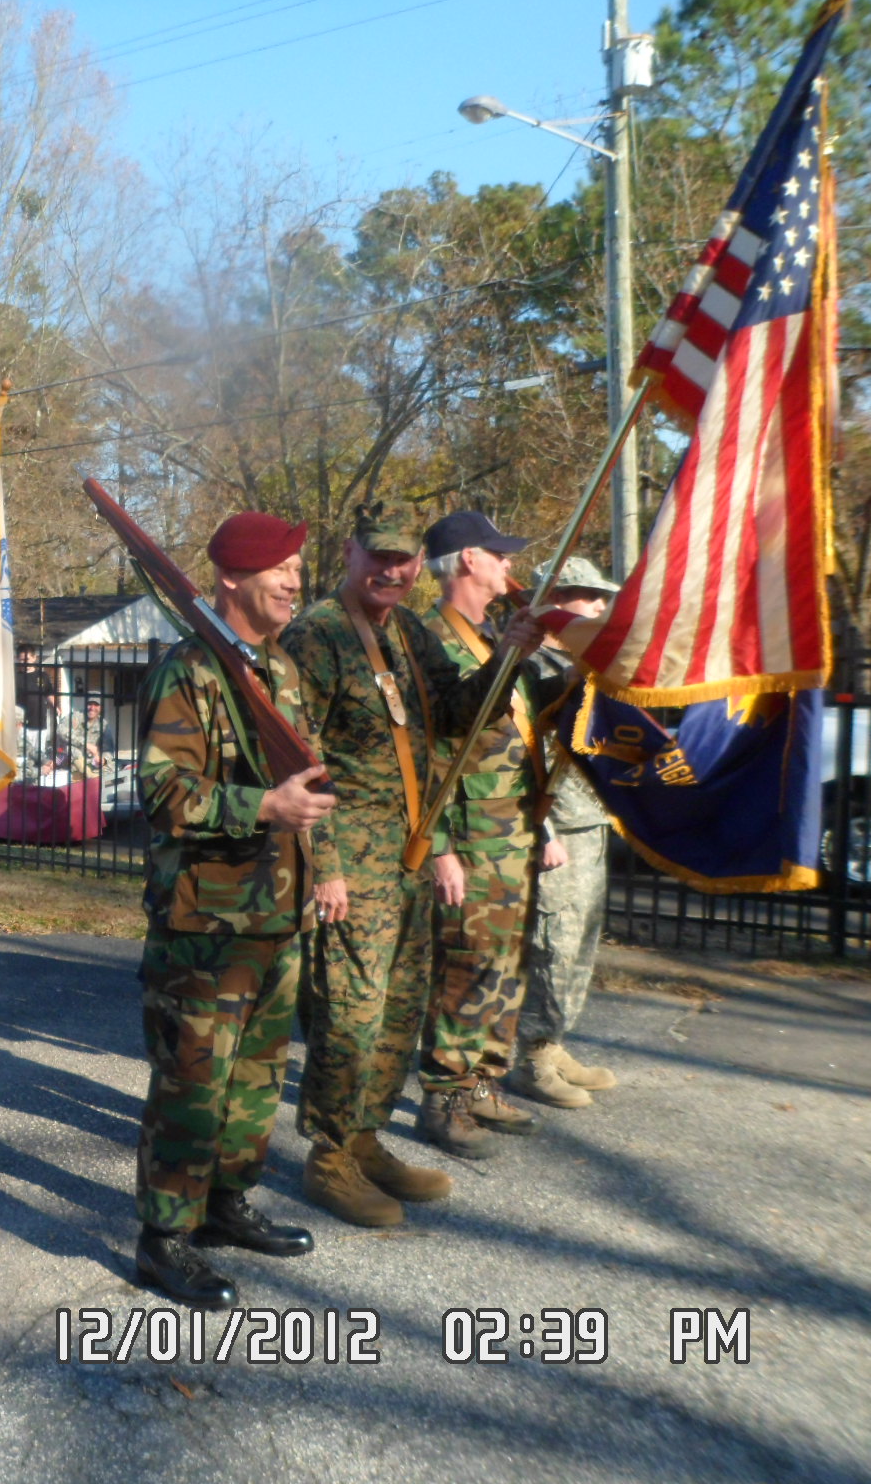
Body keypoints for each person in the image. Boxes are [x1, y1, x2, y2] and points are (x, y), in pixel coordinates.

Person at [280, 500, 543, 1227]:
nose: (392, 570)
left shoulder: (409, 634)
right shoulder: (317, 636)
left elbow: (459, 715)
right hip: (351, 866)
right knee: (349, 1017)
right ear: (350, 553)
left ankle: (366, 1141)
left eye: (403, 559)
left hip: (407, 858)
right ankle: (329, 1156)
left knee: (396, 1015)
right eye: (379, 556)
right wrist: (323, 865)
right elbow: (301, 759)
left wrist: (509, 655)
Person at [132, 512, 334, 1310]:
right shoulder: (189, 671)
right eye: (280, 567)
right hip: (205, 924)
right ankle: (165, 1237)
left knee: (255, 1079)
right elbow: (159, 790)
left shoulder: (278, 671)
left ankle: (223, 1206)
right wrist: (262, 807)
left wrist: (326, 870)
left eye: (297, 567)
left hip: (277, 917)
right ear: (230, 580)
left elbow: (313, 789)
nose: (294, 580)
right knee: (192, 1083)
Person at [416, 511, 544, 1158]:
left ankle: (485, 1078)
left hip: (509, 833)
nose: (510, 567)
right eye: (501, 555)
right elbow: (428, 754)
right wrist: (439, 848)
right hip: (468, 837)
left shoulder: (491, 635)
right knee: (466, 967)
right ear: (469, 560)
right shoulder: (435, 641)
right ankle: (445, 1097)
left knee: (505, 963)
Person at [507, 556, 622, 1107]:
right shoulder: (532, 664)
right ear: (554, 600)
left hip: (591, 820)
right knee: (551, 944)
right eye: (586, 595)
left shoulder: (589, 659)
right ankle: (530, 1056)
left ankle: (553, 1044)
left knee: (580, 942)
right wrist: (544, 827)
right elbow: (520, 756)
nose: (599, 606)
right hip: (557, 826)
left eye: (603, 597)